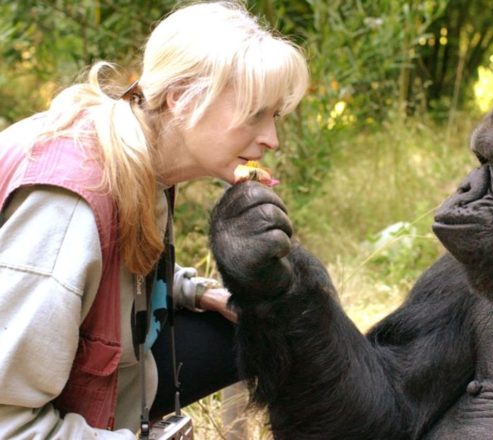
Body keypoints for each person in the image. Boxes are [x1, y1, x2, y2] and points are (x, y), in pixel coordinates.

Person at [0, 1, 308, 438]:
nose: (272, 139)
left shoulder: (135, 150)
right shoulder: (67, 209)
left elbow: (106, 276)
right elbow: (6, 422)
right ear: (182, 98)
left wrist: (194, 292)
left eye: (273, 116)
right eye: (254, 113)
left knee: (267, 327)